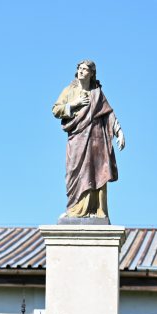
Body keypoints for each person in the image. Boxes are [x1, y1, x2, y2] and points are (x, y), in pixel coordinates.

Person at [51, 60, 126, 221]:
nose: (81, 71)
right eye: (80, 68)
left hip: (96, 139)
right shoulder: (69, 91)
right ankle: (74, 208)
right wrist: (74, 104)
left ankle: (96, 210)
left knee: (97, 171)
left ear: (92, 73)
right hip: (77, 138)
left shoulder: (96, 93)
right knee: (74, 171)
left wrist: (118, 131)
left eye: (85, 69)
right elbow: (56, 109)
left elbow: (108, 113)